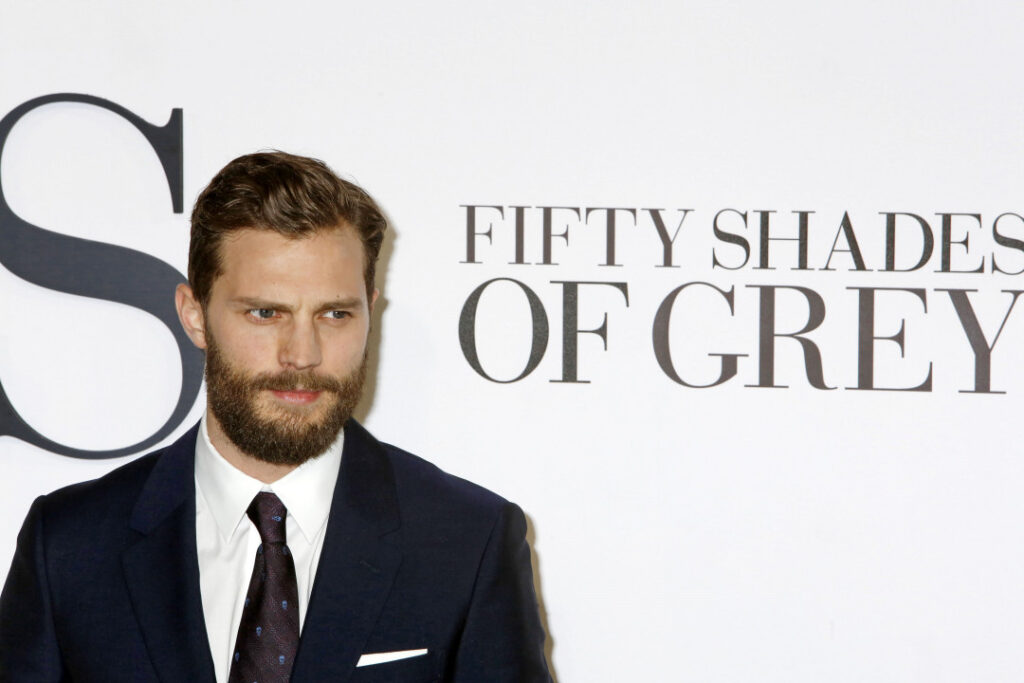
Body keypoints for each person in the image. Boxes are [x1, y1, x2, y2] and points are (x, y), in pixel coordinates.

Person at [0, 151, 551, 682]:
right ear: (195, 316)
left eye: (335, 314)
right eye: (265, 313)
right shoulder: (69, 546)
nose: (302, 354)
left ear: (370, 310)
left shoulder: (467, 543)